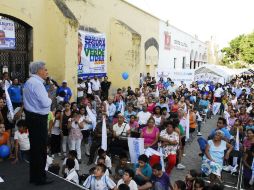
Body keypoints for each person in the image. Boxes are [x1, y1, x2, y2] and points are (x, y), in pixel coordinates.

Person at [23, 61, 53, 185]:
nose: (46, 72)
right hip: (39, 120)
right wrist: (50, 96)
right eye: (45, 70)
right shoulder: (38, 84)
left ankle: (34, 177)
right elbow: (46, 103)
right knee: (40, 150)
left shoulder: (29, 82)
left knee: (35, 149)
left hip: (31, 117)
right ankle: (40, 178)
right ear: (39, 71)